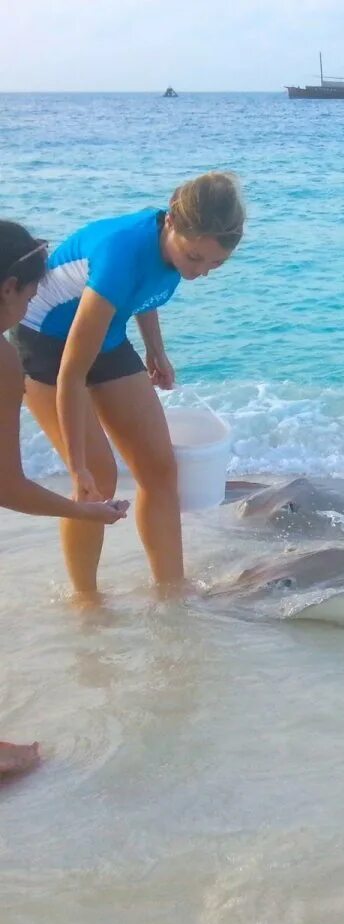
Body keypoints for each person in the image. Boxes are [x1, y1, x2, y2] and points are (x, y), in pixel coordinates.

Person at [14, 172, 245, 601]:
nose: (200, 273)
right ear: (172, 222)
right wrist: (78, 463)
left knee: (159, 468)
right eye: (195, 258)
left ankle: (172, 590)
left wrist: (156, 350)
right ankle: (86, 600)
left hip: (107, 331)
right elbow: (70, 372)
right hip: (47, 342)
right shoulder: (121, 250)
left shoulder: (174, 247)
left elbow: (144, 290)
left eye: (215, 265)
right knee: (96, 480)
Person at [2, 221, 133, 782]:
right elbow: (6, 487)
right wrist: (85, 509)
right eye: (31, 293)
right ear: (8, 287)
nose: (31, 305)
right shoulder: (5, 362)